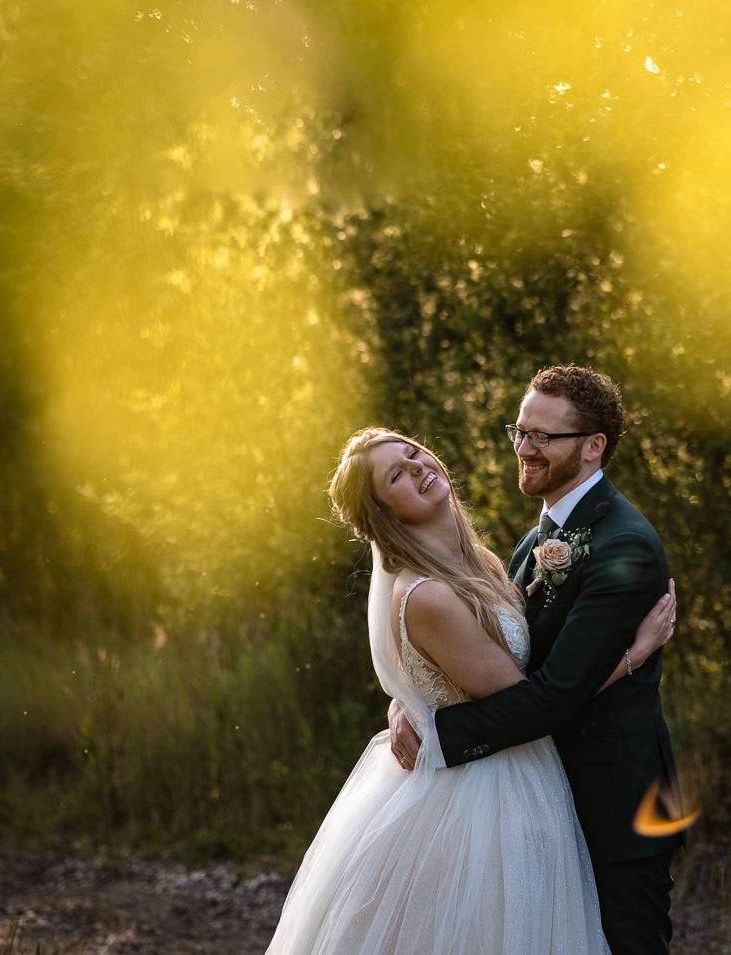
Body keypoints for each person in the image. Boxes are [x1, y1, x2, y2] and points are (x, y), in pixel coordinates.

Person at [263, 427, 676, 955]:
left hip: (527, 774)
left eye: (413, 453)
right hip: (485, 797)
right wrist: (631, 657)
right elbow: (531, 701)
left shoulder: (482, 561)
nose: (416, 468)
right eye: (396, 474)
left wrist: (410, 699)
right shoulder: (429, 594)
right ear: (384, 512)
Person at [392, 364, 686, 955]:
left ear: (593, 446)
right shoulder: (537, 538)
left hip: (612, 808)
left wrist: (437, 734)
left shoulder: (622, 545)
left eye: (543, 437)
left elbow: (553, 695)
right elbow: (481, 651)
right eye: (520, 432)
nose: (525, 449)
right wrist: (408, 697)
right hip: (536, 800)